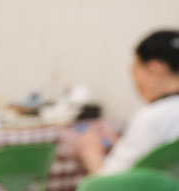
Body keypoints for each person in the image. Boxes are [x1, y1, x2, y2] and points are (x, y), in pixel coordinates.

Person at [72, 30, 179, 174]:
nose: (135, 82)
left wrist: (91, 153)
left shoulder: (153, 117)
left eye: (135, 71)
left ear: (155, 69)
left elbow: (110, 186)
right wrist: (122, 145)